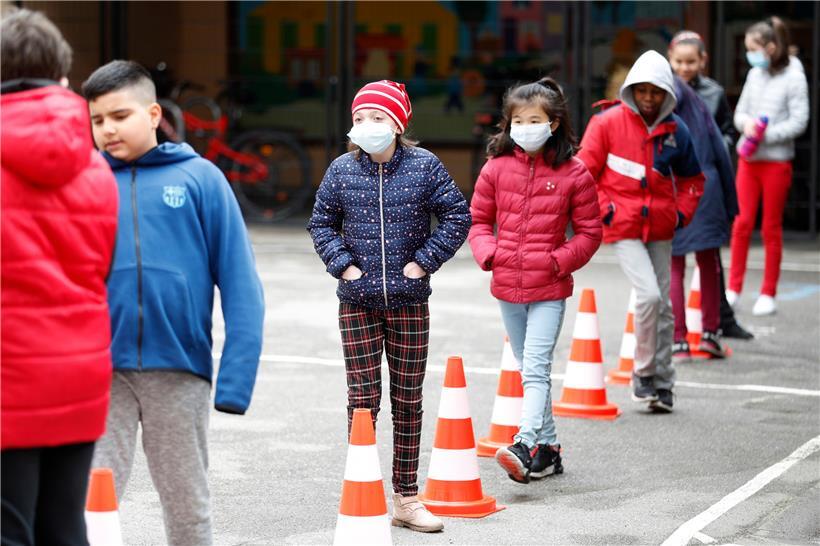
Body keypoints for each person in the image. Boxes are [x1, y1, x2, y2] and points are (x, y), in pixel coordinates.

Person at [82, 60, 265, 545]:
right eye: (97, 120)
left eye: (119, 115)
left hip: (180, 370)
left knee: (187, 508)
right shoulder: (85, 184)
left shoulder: (201, 179)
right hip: (102, 372)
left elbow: (241, 282)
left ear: (152, 113)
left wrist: (236, 379)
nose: (107, 129)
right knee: (91, 504)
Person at [308, 80, 470, 533]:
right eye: (360, 119)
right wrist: (345, 268)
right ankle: (363, 490)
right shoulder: (341, 170)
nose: (366, 126)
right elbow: (320, 223)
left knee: (407, 400)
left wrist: (423, 262)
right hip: (356, 303)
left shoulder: (424, 167)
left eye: (377, 118)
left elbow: (459, 215)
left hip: (409, 303)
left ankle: (405, 497)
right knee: (362, 401)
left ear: (398, 124)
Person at [1, 9, 119, 545]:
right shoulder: (95, 168)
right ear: (62, 76)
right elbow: (102, 265)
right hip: (78, 370)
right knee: (64, 524)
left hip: (9, 372)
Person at [469, 78, 602, 483]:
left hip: (549, 288)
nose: (526, 127)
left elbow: (589, 232)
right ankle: (549, 451)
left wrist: (558, 262)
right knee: (529, 366)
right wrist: (489, 254)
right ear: (508, 124)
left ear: (554, 123)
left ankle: (525, 442)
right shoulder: (495, 168)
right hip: (507, 284)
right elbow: (478, 222)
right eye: (518, 120)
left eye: (535, 120)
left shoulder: (574, 173)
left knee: (536, 369)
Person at [578, 50, 705, 413]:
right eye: (643, 90)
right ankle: (644, 374)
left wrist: (681, 215)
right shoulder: (606, 123)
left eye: (657, 92)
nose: (649, 98)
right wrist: (606, 210)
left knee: (664, 306)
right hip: (624, 225)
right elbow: (583, 174)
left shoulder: (676, 131)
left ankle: (663, 384)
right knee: (649, 296)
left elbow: (694, 179)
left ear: (668, 94)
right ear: (632, 89)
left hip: (663, 227)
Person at [667, 30, 753, 340]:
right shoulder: (663, 93)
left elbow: (728, 133)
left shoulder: (714, 93)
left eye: (691, 61)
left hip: (705, 180)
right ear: (670, 60)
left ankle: (710, 328)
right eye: (679, 61)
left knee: (705, 259)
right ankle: (697, 331)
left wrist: (716, 146)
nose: (685, 67)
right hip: (684, 182)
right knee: (681, 261)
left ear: (703, 60)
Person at [727, 16, 809, 316]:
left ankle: (768, 292)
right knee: (742, 223)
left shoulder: (795, 76)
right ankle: (733, 289)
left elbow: (800, 121)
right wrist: (747, 124)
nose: (750, 56)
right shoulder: (754, 75)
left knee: (770, 227)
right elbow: (740, 113)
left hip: (776, 161)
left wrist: (767, 135)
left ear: (771, 47)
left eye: (754, 49)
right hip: (748, 160)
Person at [668, 75, 739, 362]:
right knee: (709, 264)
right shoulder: (699, 107)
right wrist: (731, 204)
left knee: (674, 264)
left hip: (673, 189)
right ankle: (710, 334)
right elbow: (722, 154)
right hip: (707, 190)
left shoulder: (660, 112)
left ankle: (678, 340)